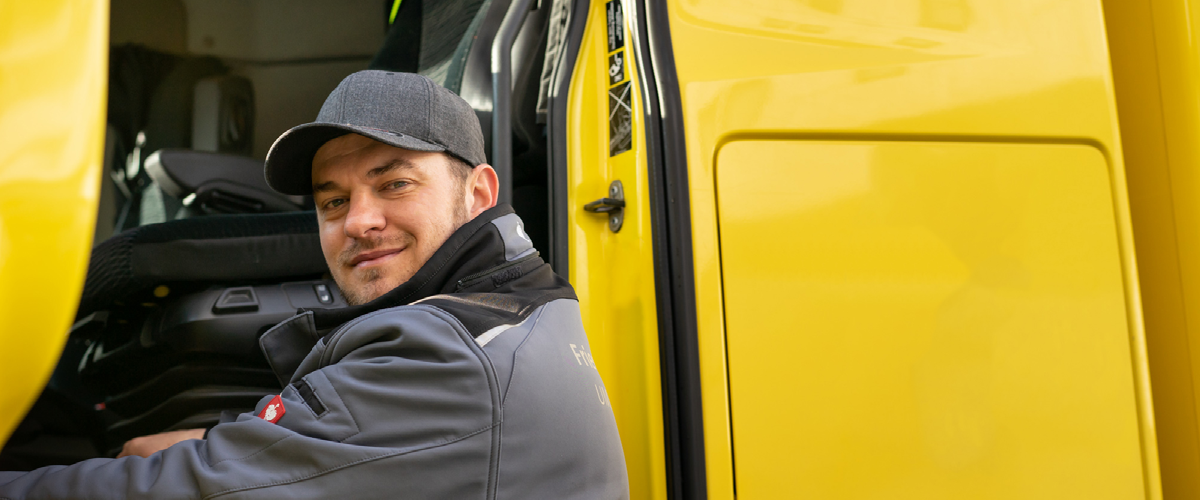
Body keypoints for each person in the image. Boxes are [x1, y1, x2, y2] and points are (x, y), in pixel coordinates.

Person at [0, 71, 630, 498]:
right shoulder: (523, 309)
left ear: (479, 193)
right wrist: (227, 436)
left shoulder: (449, 356)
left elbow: (194, 490)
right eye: (333, 201)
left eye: (395, 184)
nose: (358, 221)